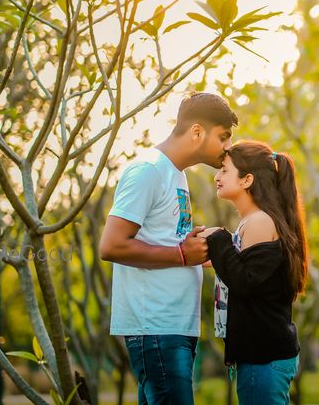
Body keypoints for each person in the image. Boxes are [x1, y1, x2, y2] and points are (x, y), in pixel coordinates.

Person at [99, 92, 237, 405]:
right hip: (156, 327)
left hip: (174, 325)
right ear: (197, 131)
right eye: (224, 136)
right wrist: (179, 255)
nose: (228, 147)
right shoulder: (148, 170)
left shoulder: (176, 174)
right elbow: (111, 245)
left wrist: (194, 249)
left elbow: (163, 240)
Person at [199, 141, 308, 405]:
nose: (217, 176)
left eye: (224, 170)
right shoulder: (255, 221)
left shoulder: (260, 221)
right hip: (262, 354)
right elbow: (254, 275)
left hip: (264, 357)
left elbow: (245, 282)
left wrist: (219, 239)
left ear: (247, 179)